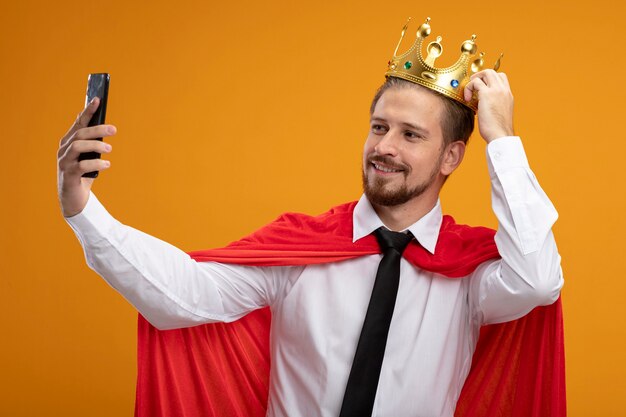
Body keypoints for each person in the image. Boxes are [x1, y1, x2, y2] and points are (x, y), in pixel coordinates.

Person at [57, 20, 564, 417]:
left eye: (411, 135)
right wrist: (82, 207)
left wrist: (502, 139)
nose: (384, 147)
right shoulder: (300, 247)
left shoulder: (471, 276)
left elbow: (538, 281)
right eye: (379, 127)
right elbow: (182, 295)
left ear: (451, 158)